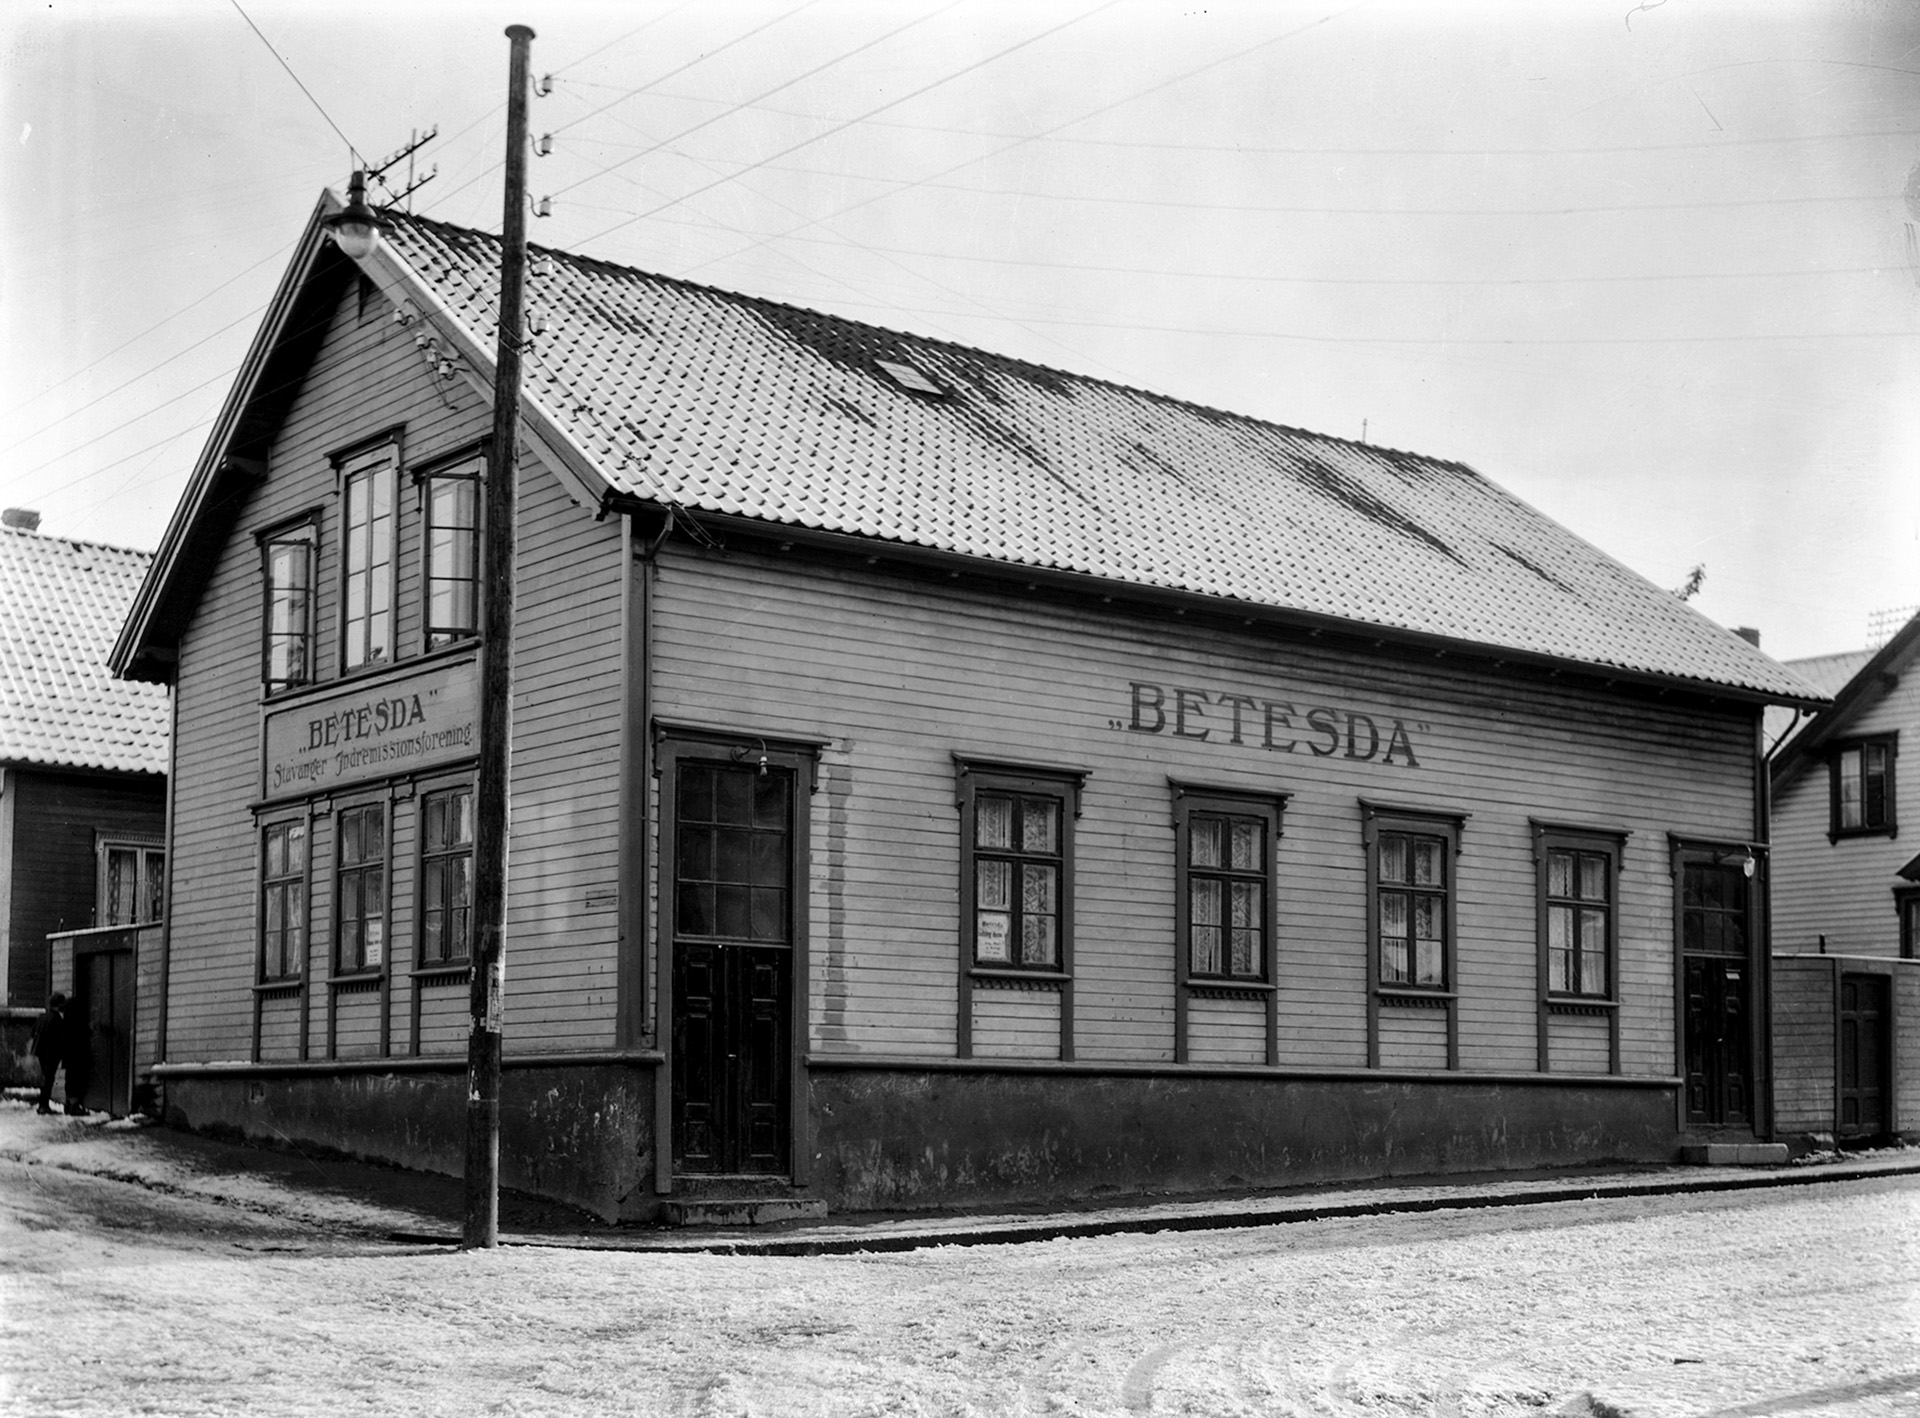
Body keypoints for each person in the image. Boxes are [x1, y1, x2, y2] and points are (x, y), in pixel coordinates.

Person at [31, 993, 65, 1114]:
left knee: (46, 1077)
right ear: (59, 1004)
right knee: (49, 1079)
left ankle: (43, 1104)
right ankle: (44, 1105)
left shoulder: (42, 1017)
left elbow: (33, 1032)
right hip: (52, 1053)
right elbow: (60, 1037)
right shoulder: (57, 1019)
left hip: (40, 1051)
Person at [61, 998, 92, 1116]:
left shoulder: (65, 1022)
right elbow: (84, 1035)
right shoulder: (79, 1024)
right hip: (78, 1055)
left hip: (68, 1055)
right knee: (77, 1080)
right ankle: (74, 1105)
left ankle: (69, 1103)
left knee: (70, 1079)